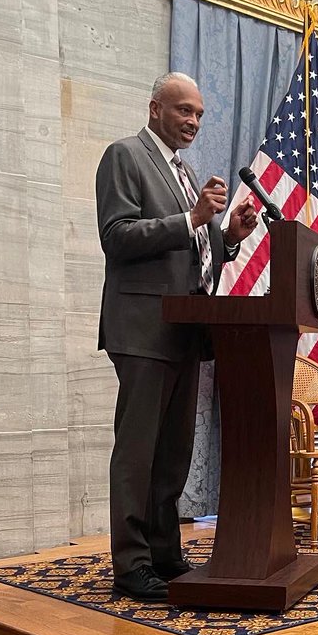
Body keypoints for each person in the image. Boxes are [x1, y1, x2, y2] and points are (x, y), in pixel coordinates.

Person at [96, 72, 258, 601]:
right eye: (183, 110)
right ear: (154, 109)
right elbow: (118, 237)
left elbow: (195, 249)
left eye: (199, 114)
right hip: (144, 328)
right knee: (139, 451)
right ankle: (131, 563)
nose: (192, 121)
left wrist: (228, 236)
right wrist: (191, 216)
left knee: (173, 453)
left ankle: (164, 552)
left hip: (187, 331)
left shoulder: (184, 171)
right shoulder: (125, 156)